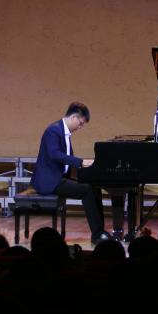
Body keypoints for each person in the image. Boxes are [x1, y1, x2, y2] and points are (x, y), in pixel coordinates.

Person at [31, 102, 115, 246]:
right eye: (80, 123)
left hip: (59, 178)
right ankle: (97, 234)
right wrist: (81, 162)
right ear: (74, 117)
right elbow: (54, 154)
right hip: (49, 181)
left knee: (94, 187)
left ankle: (100, 231)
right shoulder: (53, 131)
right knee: (87, 191)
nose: (80, 127)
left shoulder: (62, 132)